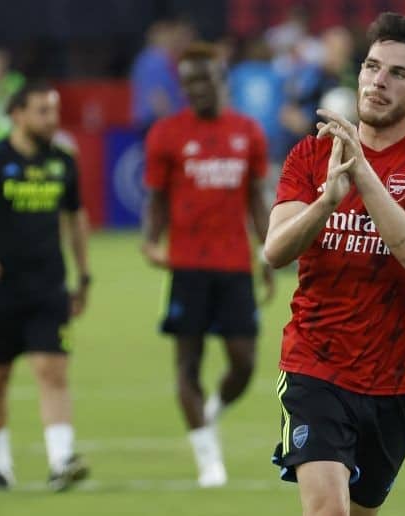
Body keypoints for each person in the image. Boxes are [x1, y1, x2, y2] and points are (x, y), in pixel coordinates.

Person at [263, 13, 405, 515]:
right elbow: (274, 250)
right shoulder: (310, 157)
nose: (378, 81)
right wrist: (326, 202)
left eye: (398, 73)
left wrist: (360, 171)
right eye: (372, 67)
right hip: (316, 363)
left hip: (395, 376)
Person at [141, 42, 275, 488]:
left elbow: (256, 197)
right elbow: (157, 197)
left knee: (244, 362)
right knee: (187, 364)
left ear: (221, 79)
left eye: (205, 79)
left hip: (235, 264)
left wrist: (269, 252)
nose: (197, 89)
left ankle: (211, 411)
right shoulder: (166, 134)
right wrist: (150, 239)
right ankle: (208, 460)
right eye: (189, 82)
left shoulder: (248, 132)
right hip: (188, 265)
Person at [0, 82, 92, 492]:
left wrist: (83, 277)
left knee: (53, 371)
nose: (52, 119)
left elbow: (76, 221)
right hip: (0, 290)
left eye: (54, 110)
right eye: (43, 111)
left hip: (49, 287)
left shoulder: (63, 162)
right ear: (18, 115)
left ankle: (61, 460)